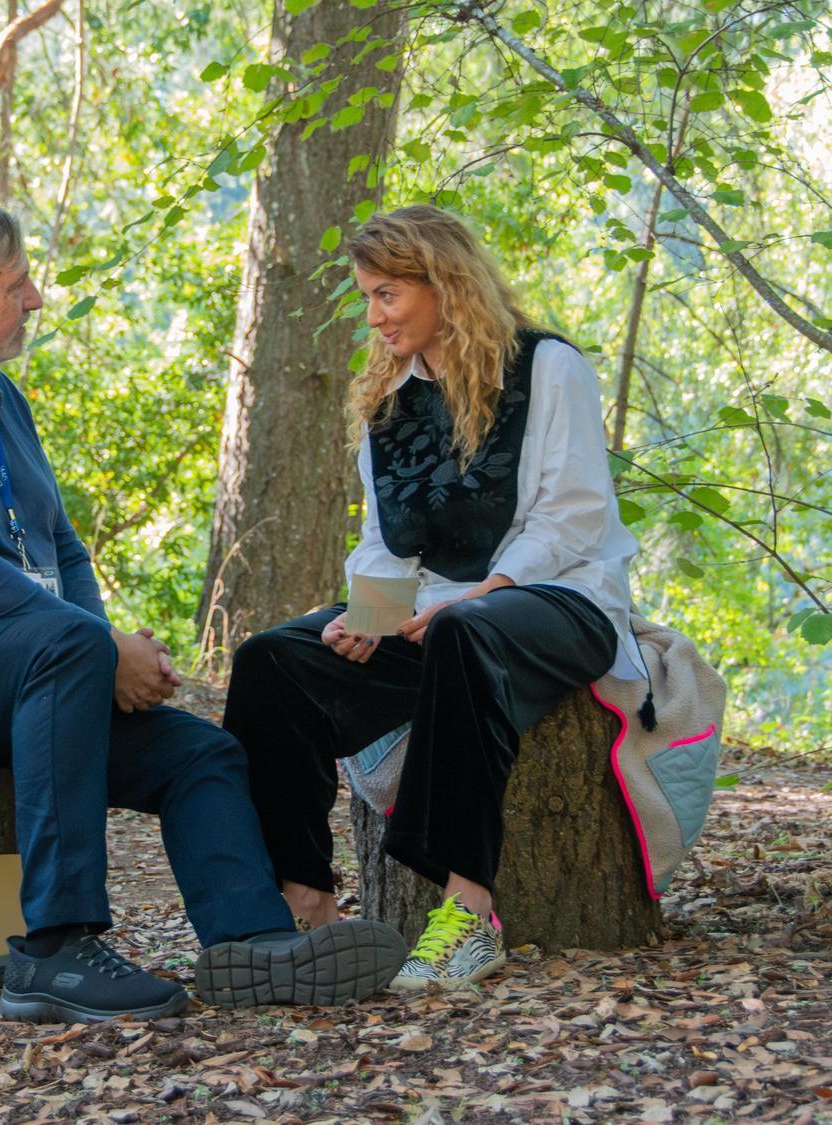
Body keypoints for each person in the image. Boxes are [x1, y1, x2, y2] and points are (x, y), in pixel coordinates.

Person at [0, 195, 406, 1023]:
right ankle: (57, 949)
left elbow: (61, 549)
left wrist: (98, 653)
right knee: (67, 652)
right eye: (17, 282)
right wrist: (97, 649)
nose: (33, 297)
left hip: (7, 672)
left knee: (198, 753)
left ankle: (254, 943)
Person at [221, 205, 644, 990]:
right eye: (368, 298)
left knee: (466, 632)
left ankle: (468, 912)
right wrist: (369, 616)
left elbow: (575, 512)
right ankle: (305, 901)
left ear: (445, 282)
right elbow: (388, 538)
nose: (375, 316)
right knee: (272, 661)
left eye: (388, 295)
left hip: (560, 601)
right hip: (440, 615)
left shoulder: (549, 367)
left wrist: (482, 592)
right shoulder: (392, 400)